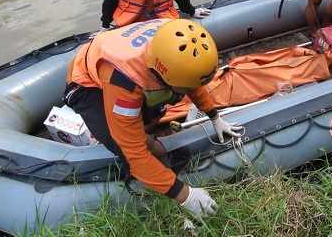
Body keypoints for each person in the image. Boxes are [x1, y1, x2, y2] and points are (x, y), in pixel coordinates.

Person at [65, 18, 242, 218]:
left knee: (155, 111)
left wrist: (214, 116)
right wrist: (184, 195)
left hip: (122, 60)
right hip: (87, 84)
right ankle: (145, 186)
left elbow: (192, 81)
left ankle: (150, 139)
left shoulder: (174, 37)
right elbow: (135, 153)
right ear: (161, 73)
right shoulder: (125, 83)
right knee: (122, 143)